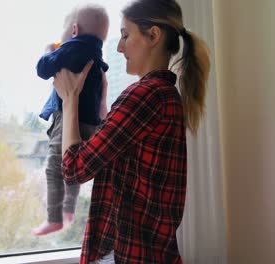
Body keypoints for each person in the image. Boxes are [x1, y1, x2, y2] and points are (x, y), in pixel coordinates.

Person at [52, 0, 210, 263]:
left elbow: (74, 168)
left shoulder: (145, 96)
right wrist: (100, 103)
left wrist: (69, 99)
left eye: (126, 35)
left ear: (153, 36)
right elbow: (112, 156)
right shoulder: (165, 95)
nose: (118, 46)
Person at [31, 4, 110, 236]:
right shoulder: (96, 56)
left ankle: (54, 218)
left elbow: (42, 69)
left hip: (68, 120)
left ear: (74, 30)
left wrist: (48, 52)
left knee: (54, 167)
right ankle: (68, 210)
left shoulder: (71, 49)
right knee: (73, 166)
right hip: (90, 123)